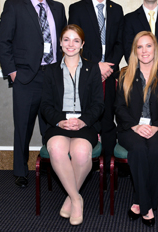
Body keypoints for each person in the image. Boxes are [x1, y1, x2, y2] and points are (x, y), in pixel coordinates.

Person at [0, 0, 67, 188]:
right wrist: (13, 72)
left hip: (53, 77)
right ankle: (20, 171)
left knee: (51, 126)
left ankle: (51, 166)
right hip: (26, 78)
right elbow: (3, 42)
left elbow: (64, 41)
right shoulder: (14, 6)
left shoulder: (57, 8)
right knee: (23, 127)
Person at [40, 24, 104, 226]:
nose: (71, 44)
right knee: (57, 150)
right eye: (66, 39)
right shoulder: (49, 71)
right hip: (58, 123)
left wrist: (83, 121)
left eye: (76, 40)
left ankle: (69, 197)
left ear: (82, 44)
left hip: (85, 124)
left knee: (81, 154)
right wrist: (61, 121)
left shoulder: (92, 69)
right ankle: (77, 199)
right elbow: (45, 106)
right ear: (60, 43)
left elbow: (98, 104)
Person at [115, 31, 158, 227]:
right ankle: (148, 205)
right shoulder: (125, 74)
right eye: (139, 47)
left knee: (157, 152)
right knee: (139, 150)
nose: (144, 50)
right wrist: (135, 126)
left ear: (155, 48)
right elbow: (119, 108)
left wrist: (156, 127)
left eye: (148, 45)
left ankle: (139, 200)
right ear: (134, 51)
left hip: (157, 128)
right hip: (130, 129)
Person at [68, 0, 124, 170]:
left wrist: (108, 66)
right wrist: (95, 66)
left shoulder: (116, 9)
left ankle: (108, 169)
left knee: (108, 120)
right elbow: (74, 42)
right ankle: (83, 165)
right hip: (86, 74)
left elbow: (120, 43)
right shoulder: (77, 8)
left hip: (109, 74)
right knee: (89, 118)